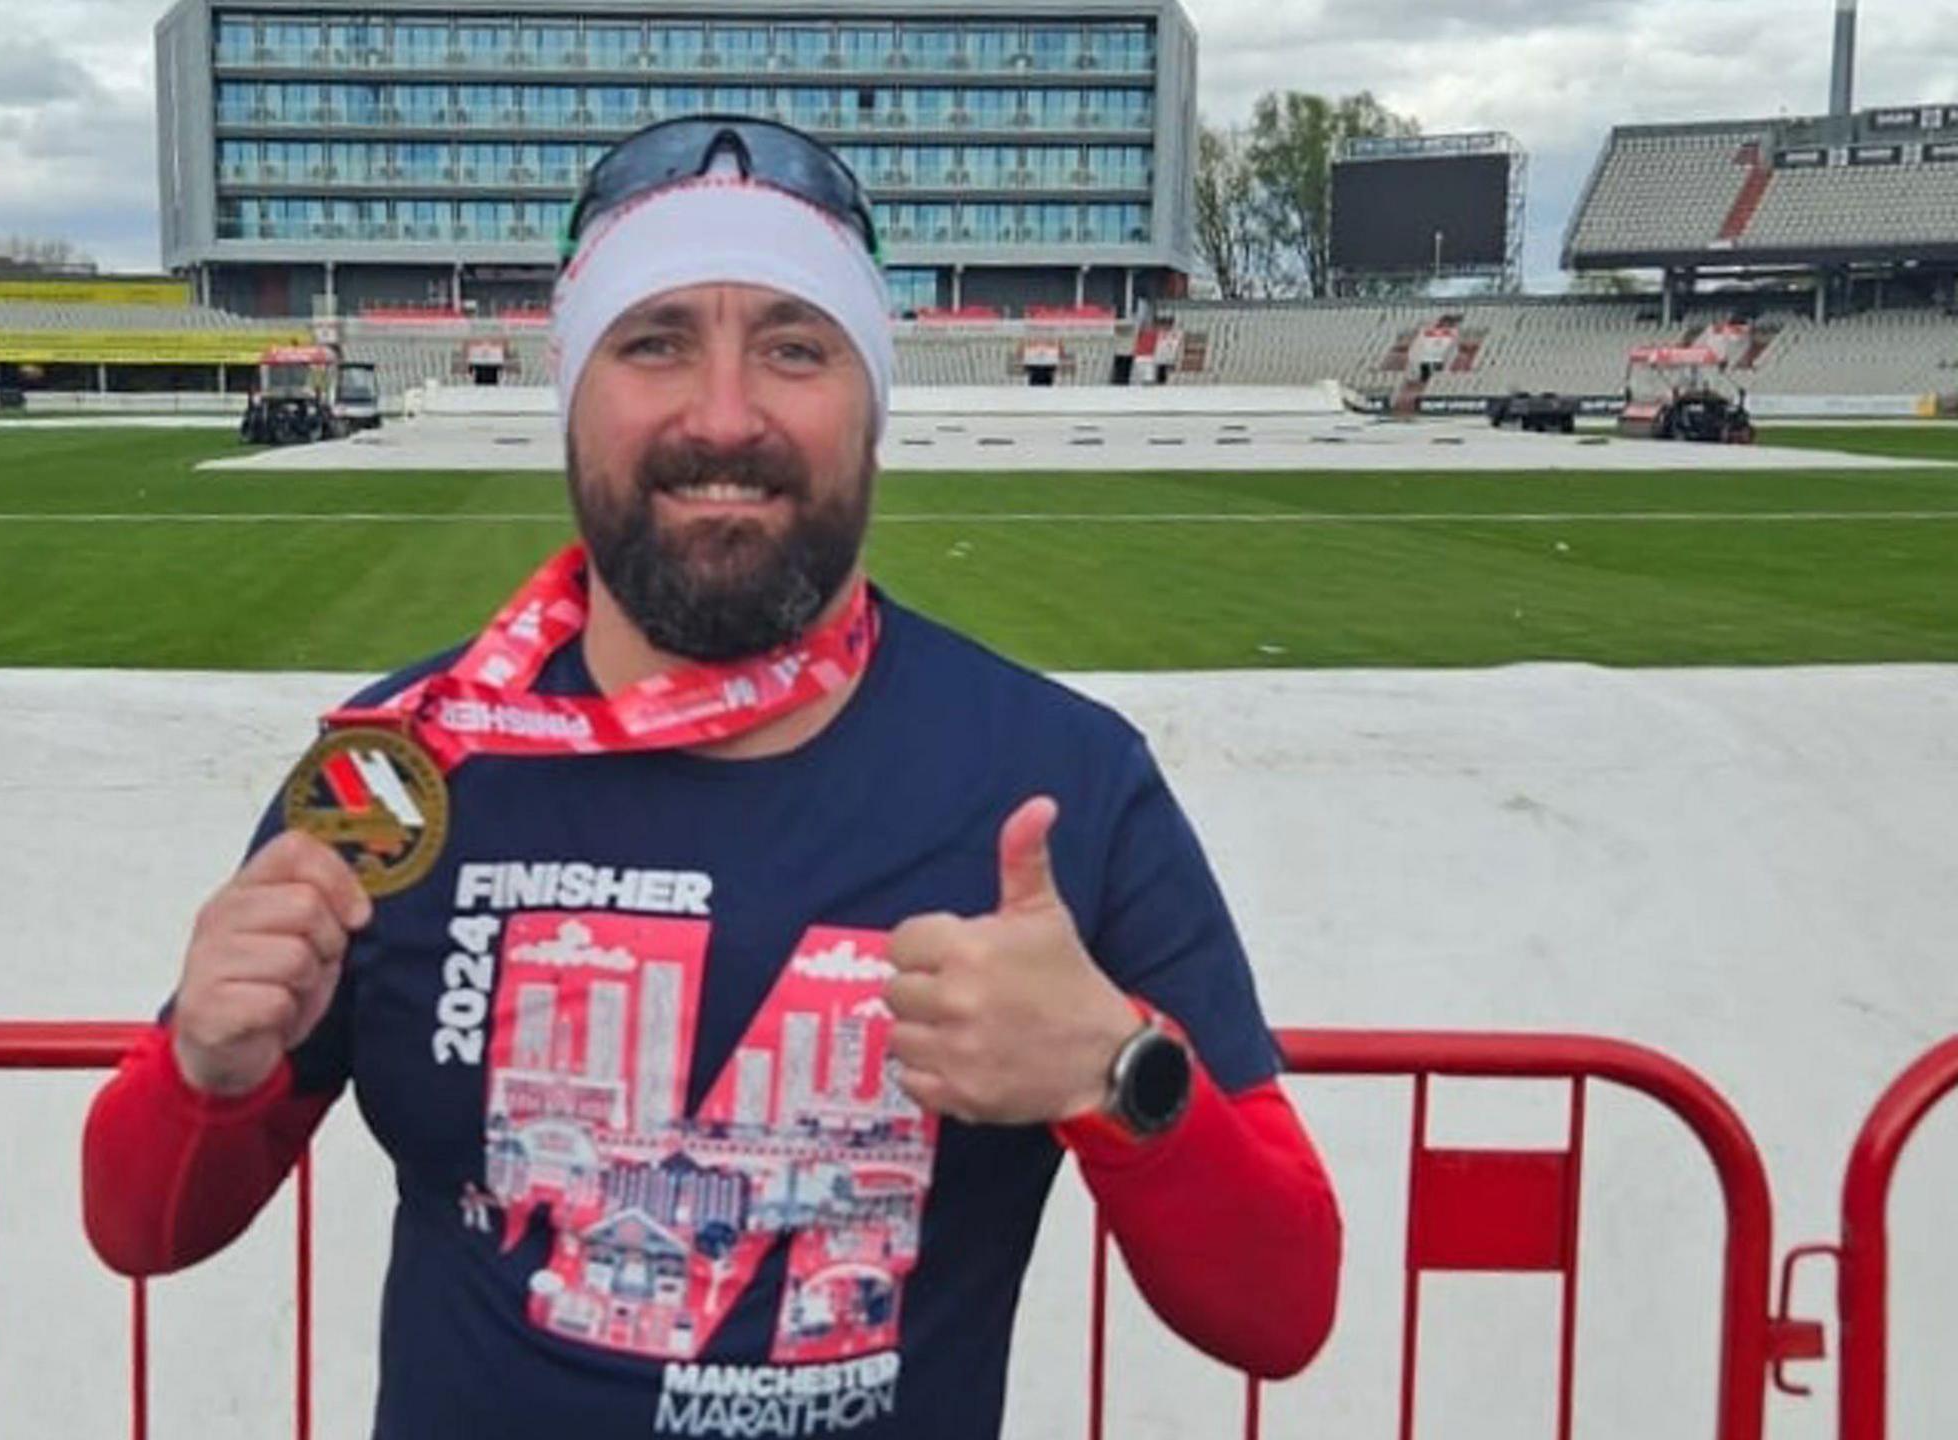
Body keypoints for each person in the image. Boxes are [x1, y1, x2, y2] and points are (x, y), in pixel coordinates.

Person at [83, 116, 1341, 1439]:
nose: (725, 417)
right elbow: (137, 1226)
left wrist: (1119, 1074)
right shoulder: (405, 765)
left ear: (872, 405)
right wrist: (203, 1069)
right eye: (656, 341)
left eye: (796, 347)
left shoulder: (1062, 781)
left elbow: (1280, 1309)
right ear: (575, 391)